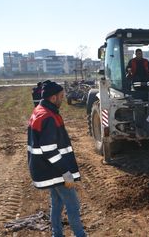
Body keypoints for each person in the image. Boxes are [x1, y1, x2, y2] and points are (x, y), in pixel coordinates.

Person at [27, 81, 86, 237]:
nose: (63, 99)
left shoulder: (40, 111)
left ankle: (57, 234)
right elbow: (49, 150)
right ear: (53, 98)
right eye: (61, 96)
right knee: (73, 205)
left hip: (47, 169)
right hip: (54, 171)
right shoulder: (48, 117)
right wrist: (66, 172)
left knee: (57, 203)